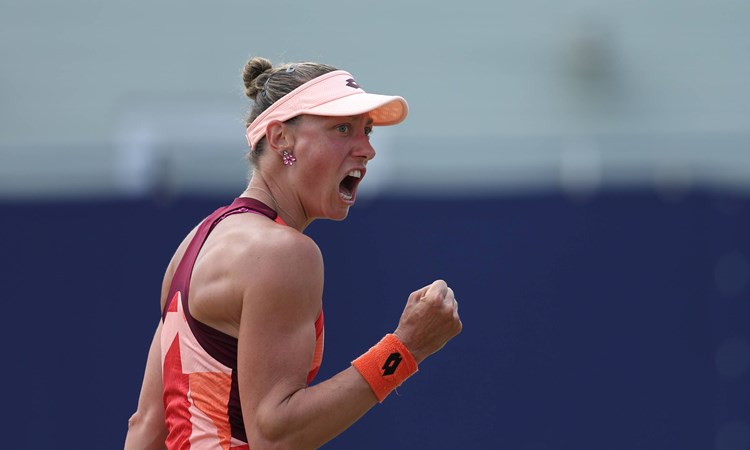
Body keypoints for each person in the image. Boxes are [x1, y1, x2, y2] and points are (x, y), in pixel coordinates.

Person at [124, 56, 462, 450]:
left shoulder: (197, 241)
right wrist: (405, 348)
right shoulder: (283, 252)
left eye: (366, 131)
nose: (367, 149)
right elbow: (275, 434)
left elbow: (146, 426)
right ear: (280, 138)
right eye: (342, 128)